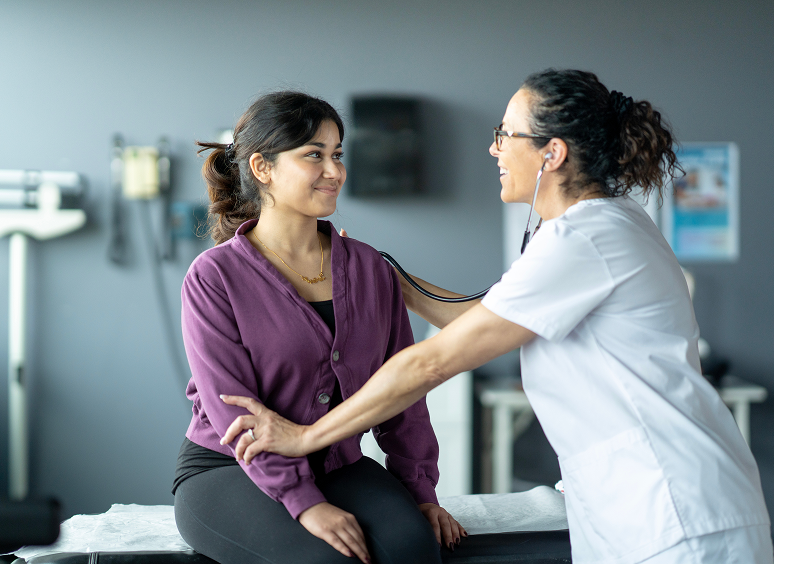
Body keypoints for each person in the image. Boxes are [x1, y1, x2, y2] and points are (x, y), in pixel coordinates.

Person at [219, 71, 773, 563]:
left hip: (673, 505)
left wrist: (304, 437)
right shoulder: (599, 225)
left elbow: (431, 362)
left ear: (551, 154)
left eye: (505, 134)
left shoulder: (588, 238)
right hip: (634, 501)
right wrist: (380, 273)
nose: (494, 149)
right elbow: (483, 315)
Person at [172, 91, 465, 564]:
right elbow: (236, 416)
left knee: (415, 548)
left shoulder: (371, 268)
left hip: (335, 462)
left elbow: (403, 394)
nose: (335, 171)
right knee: (328, 561)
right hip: (232, 469)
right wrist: (305, 503)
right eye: (314, 155)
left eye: (338, 155)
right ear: (262, 168)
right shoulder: (214, 277)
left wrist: (421, 492)